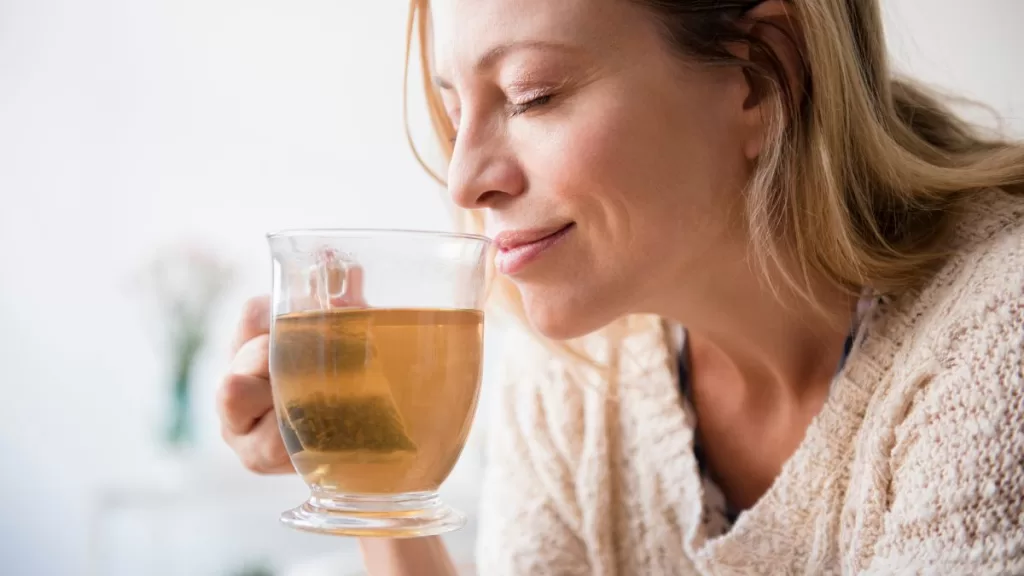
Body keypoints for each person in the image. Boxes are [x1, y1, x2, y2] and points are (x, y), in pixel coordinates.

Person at [217, 0, 1024, 573]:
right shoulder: (574, 364)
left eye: (533, 94)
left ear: (762, 76)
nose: (463, 181)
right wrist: (376, 478)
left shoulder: (997, 343)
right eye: (454, 108)